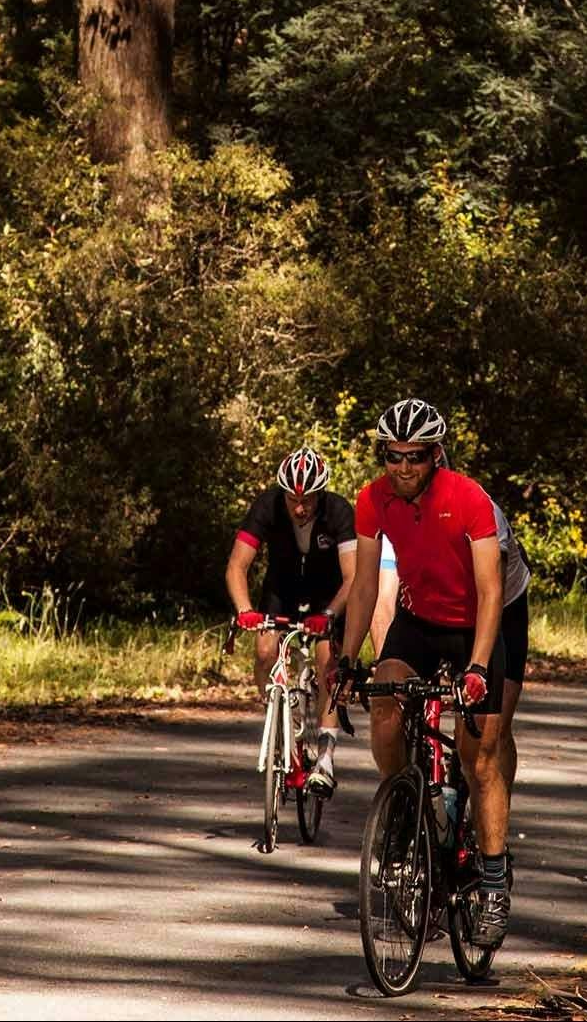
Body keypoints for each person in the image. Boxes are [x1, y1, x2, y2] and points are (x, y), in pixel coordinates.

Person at [335, 397, 531, 951]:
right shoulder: (373, 499)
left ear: (435, 455)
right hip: (422, 617)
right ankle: (404, 810)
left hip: (490, 619)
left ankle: (493, 883)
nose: (402, 468)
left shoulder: (469, 499)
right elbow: (367, 587)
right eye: (392, 456)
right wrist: (350, 661)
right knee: (384, 701)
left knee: (481, 755)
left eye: (415, 457)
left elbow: (491, 591)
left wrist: (474, 668)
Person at [225, 446, 356, 794]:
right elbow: (237, 565)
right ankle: (281, 721)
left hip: (328, 595)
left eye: (308, 500)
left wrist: (329, 615)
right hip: (281, 589)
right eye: (293, 499)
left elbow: (352, 577)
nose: (300, 508)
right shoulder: (267, 506)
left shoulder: (339, 511)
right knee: (266, 649)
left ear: (320, 494)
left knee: (328, 659)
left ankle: (325, 757)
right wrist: (244, 611)